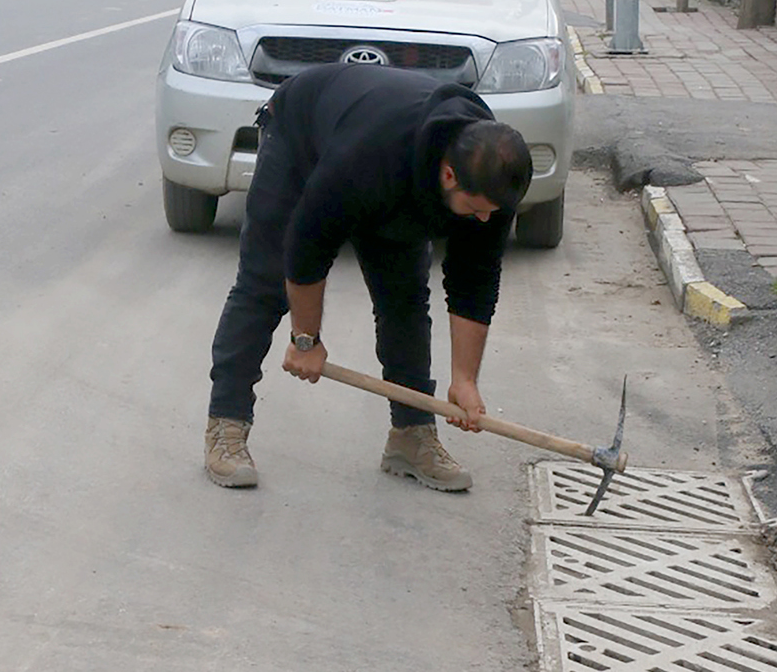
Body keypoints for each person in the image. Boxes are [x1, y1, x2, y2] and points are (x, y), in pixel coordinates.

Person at [204, 63, 534, 493]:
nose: (486, 220)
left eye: (493, 211)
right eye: (477, 209)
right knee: (264, 284)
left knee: (405, 299)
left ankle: (411, 436)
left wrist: (465, 380)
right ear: (449, 175)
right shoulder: (367, 157)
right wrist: (306, 339)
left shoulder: (492, 178)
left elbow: (476, 282)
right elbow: (305, 248)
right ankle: (225, 425)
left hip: (398, 173)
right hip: (302, 139)